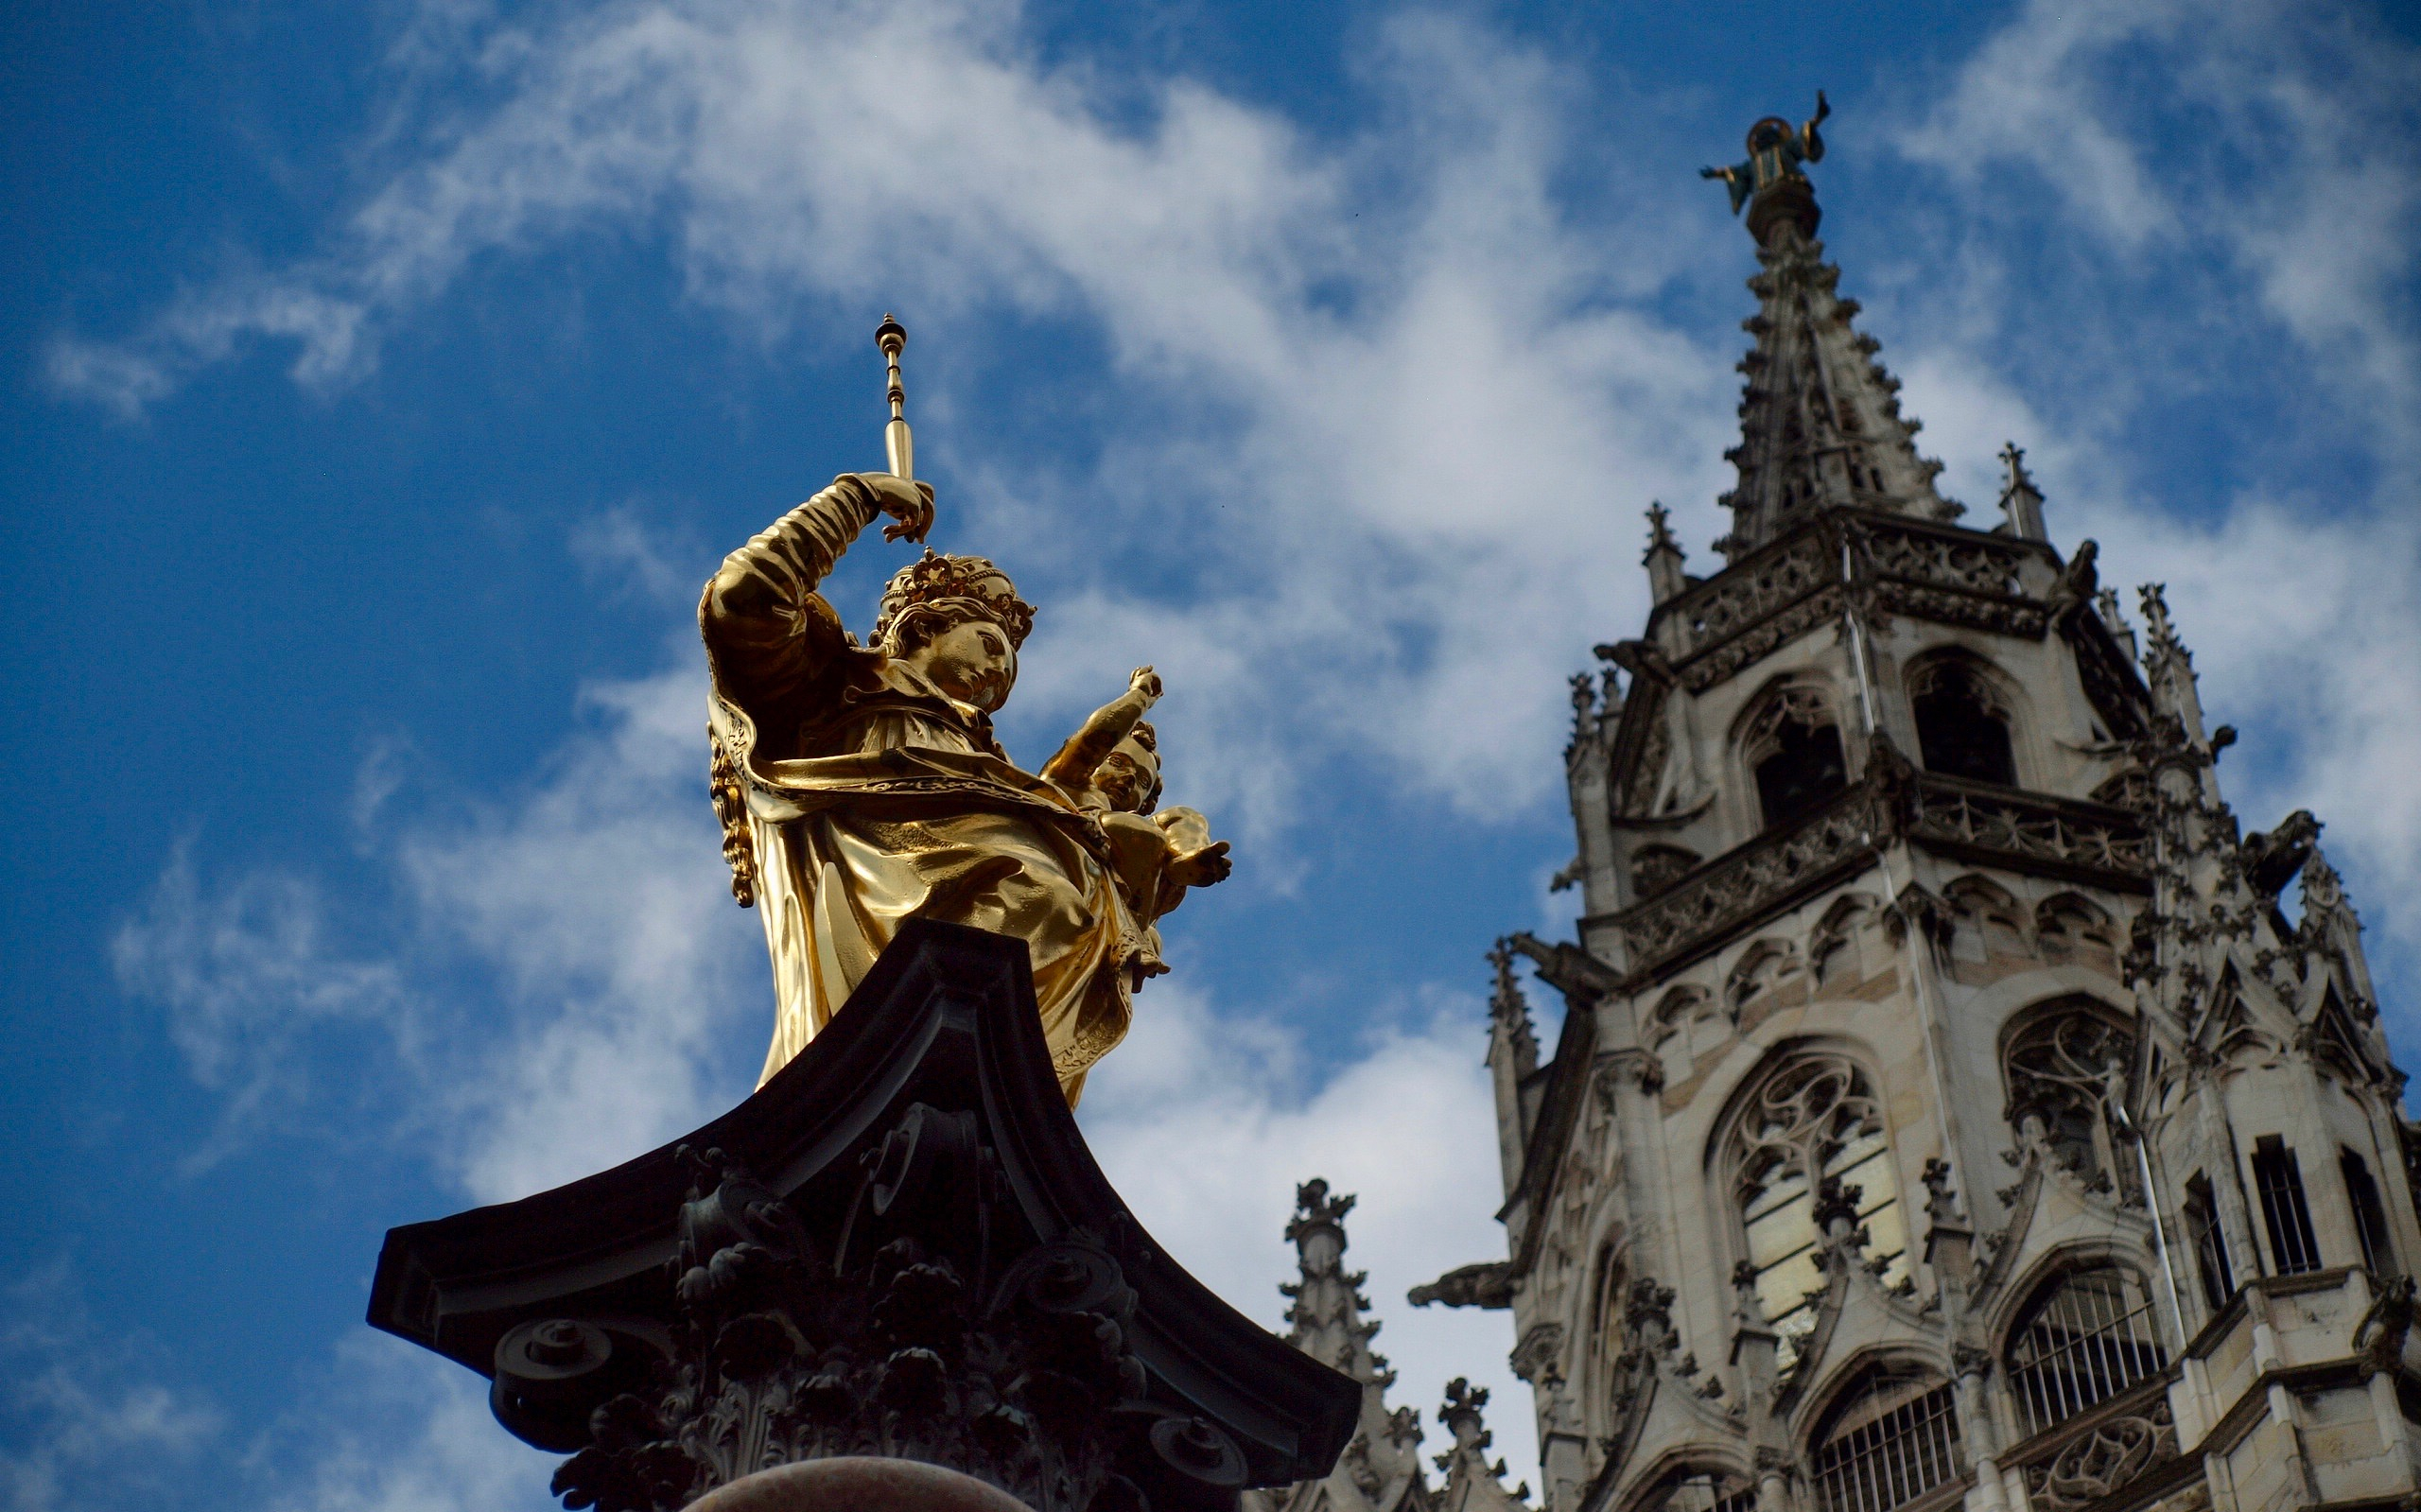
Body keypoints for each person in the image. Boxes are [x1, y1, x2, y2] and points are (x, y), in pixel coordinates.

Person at [700, 470, 1190, 1105]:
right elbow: (743, 599)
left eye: (1008, 669)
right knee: (1039, 895)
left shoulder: (988, 771)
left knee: (1067, 912)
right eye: (989, 643)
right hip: (871, 918)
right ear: (922, 626)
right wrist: (857, 498)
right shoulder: (832, 691)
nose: (999, 672)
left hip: (974, 980)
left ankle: (1005, 1093)